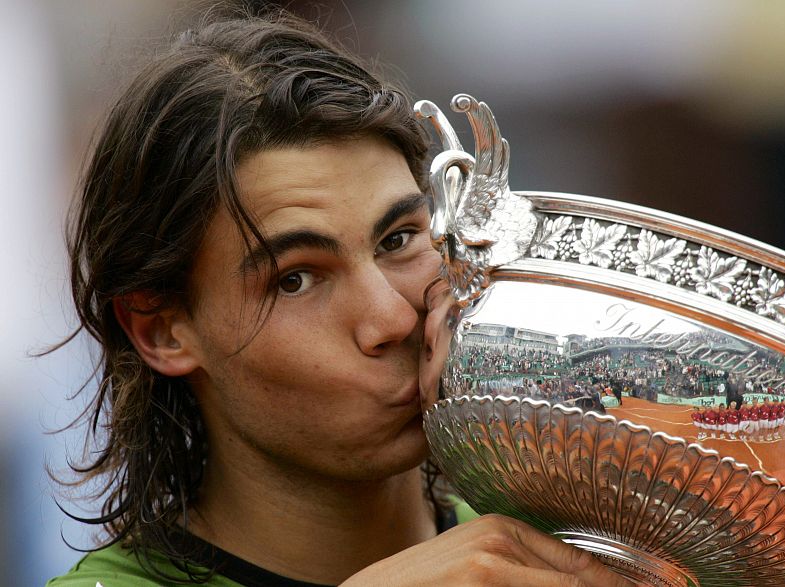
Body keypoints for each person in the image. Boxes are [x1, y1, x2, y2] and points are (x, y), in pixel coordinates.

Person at [46, 11, 631, 587]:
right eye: (296, 279)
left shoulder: (585, 549)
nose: (394, 319)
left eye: (398, 239)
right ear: (162, 331)